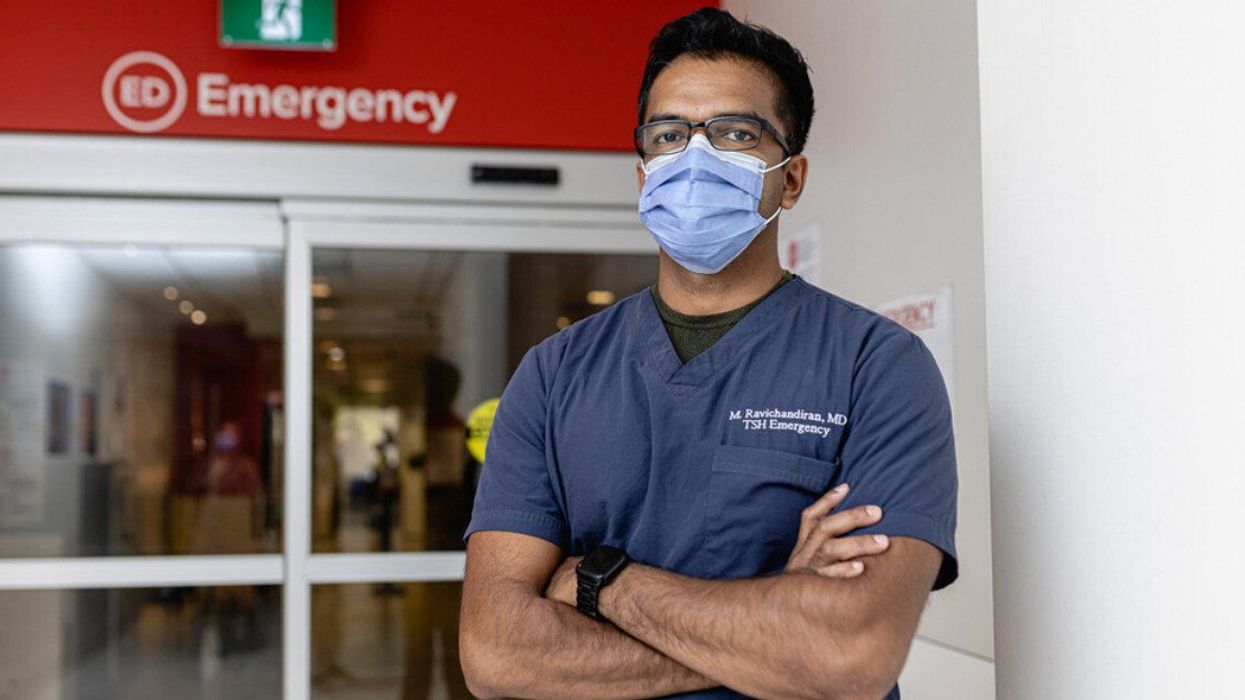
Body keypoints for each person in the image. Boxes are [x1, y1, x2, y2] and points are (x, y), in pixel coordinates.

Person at [460, 8, 957, 699]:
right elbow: (496, 654)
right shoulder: (552, 374)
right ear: (642, 176)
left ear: (791, 178)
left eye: (735, 133)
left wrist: (601, 583)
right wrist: (776, 625)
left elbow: (852, 653)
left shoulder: (876, 365)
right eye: (668, 135)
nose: (695, 156)